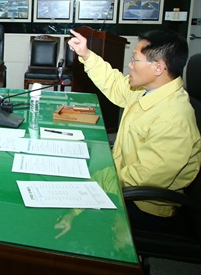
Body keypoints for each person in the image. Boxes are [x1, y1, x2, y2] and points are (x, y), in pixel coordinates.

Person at [68, 28, 201, 230]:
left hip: (143, 205)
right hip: (123, 182)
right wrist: (86, 55)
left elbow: (144, 178)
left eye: (135, 59)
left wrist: (96, 178)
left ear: (158, 68)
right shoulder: (149, 91)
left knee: (73, 214)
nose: (130, 65)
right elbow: (115, 84)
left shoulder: (173, 118)